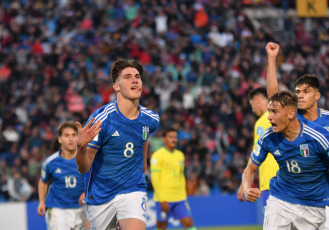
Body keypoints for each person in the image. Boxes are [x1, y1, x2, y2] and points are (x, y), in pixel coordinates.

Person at [75, 59, 159, 230]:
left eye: (137, 77)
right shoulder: (101, 120)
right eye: (127, 77)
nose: (135, 80)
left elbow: (144, 135)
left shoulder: (151, 118)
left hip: (133, 188)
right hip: (101, 195)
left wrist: (143, 163)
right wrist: (81, 147)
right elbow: (83, 168)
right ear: (116, 86)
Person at [242, 91, 329, 229]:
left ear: (291, 113)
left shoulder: (318, 137)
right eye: (269, 111)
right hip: (280, 200)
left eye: (275, 112)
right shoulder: (267, 137)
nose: (269, 117)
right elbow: (250, 169)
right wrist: (246, 189)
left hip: (313, 205)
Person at [266, 42, 329, 229]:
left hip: (322, 197)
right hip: (292, 197)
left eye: (306, 92)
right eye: (297, 92)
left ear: (317, 95)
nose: (300, 96)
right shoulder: (293, 118)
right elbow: (273, 96)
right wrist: (271, 59)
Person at [37, 121, 88, 230]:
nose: (71, 139)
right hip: (58, 210)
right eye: (67, 135)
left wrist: (88, 192)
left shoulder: (87, 159)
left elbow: (96, 179)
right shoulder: (50, 162)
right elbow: (43, 181)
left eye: (74, 135)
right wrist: (41, 202)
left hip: (83, 209)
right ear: (60, 139)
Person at [237, 87, 279, 207]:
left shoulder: (262, 122)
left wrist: (244, 184)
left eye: (252, 104)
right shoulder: (280, 118)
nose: (252, 109)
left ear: (257, 100)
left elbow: (255, 154)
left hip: (270, 182)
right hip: (287, 180)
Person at [150, 128, 197, 230]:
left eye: (175, 137)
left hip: (180, 198)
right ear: (164, 139)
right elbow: (155, 179)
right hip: (164, 199)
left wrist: (184, 195)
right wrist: (162, 199)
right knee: (161, 226)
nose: (174, 139)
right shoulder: (157, 156)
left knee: (189, 223)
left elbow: (181, 176)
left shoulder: (180, 155)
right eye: (170, 137)